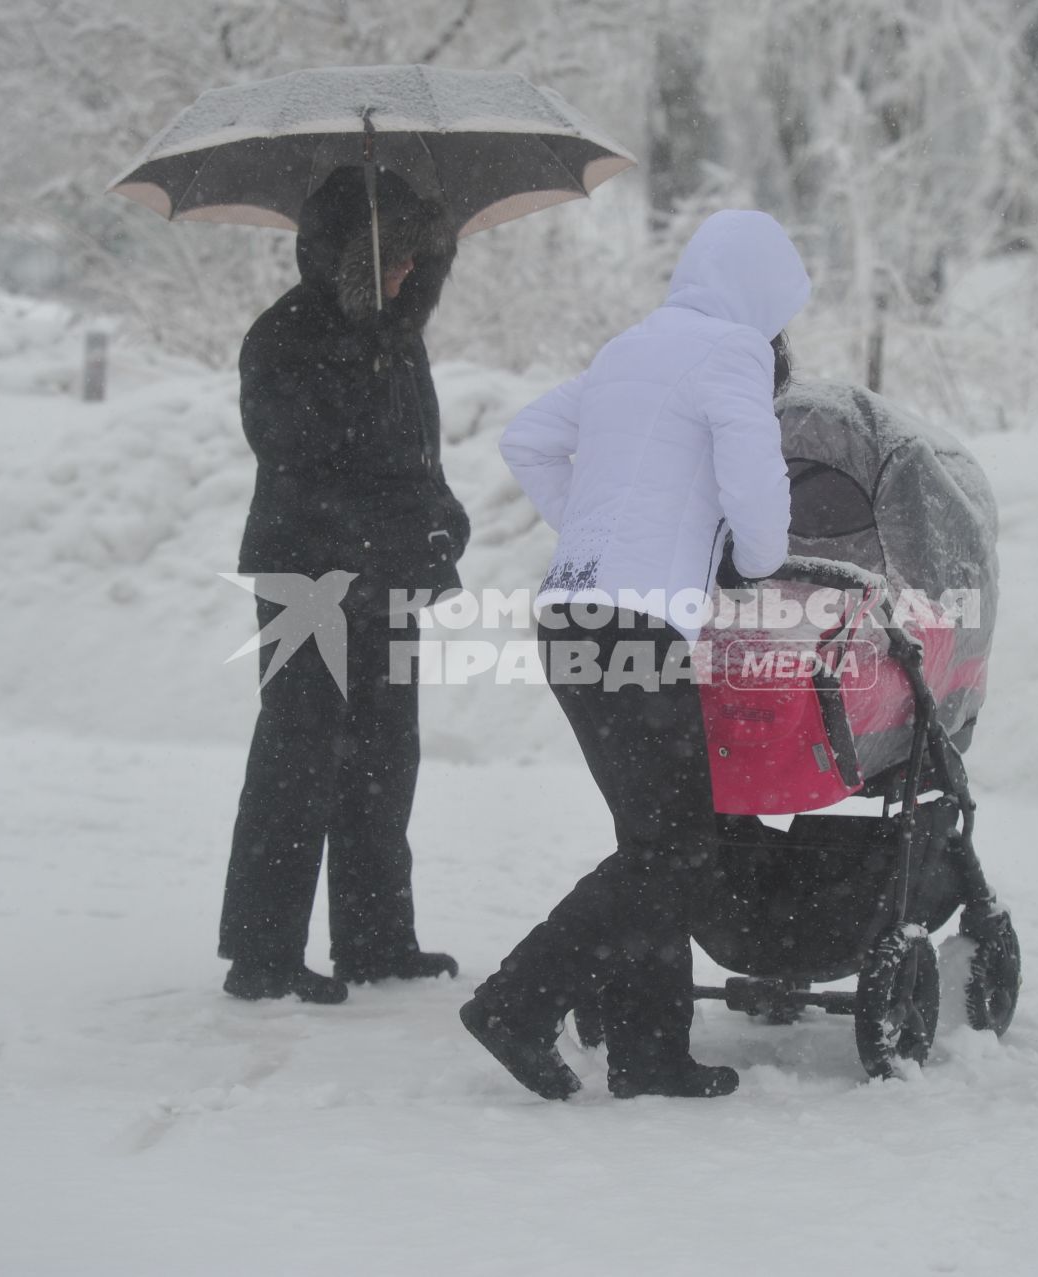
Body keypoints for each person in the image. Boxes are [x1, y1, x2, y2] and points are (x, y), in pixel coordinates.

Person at [459, 210, 810, 1099]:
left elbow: (527, 439)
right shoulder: (732, 350)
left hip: (570, 610)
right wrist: (751, 559)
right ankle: (517, 1001)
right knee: (679, 848)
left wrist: (592, 525)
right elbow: (757, 491)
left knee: (656, 841)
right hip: (637, 622)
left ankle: (651, 1051)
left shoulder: (630, 348)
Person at [219, 167, 470, 1003]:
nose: (406, 276)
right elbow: (298, 458)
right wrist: (390, 508)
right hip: (309, 577)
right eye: (393, 259)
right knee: (299, 755)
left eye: (415, 261)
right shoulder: (283, 336)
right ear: (350, 257)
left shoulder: (398, 337)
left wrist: (441, 515)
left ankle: (375, 938)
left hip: (387, 576)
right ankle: (263, 954)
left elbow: (416, 455)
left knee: (384, 757)